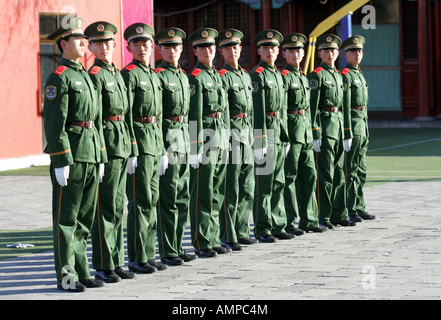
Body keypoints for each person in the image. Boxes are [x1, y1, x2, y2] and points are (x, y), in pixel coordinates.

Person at [43, 17, 106, 292]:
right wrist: (60, 159)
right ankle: (67, 277)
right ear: (63, 44)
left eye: (84, 38)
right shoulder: (59, 76)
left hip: (91, 154)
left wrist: (101, 155)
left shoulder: (86, 76)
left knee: (84, 220)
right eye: (77, 38)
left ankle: (82, 271)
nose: (84, 42)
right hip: (72, 155)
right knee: (66, 220)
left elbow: (97, 119)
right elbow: (55, 123)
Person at [85, 21, 138, 283]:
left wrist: (133, 148)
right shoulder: (94, 74)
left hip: (122, 143)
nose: (105, 47)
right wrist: (102, 153)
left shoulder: (116, 74)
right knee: (105, 206)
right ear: (91, 47)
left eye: (109, 42)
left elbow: (125, 115)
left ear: (116, 45)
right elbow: (94, 116)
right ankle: (104, 264)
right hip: (107, 143)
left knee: (119, 205)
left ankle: (116, 261)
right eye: (99, 43)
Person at [121, 22, 168, 273]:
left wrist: (162, 149)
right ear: (129, 47)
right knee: (140, 201)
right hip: (138, 141)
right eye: (136, 44)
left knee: (152, 200)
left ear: (152, 46)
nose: (142, 47)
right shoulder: (129, 74)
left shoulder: (153, 74)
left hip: (153, 142)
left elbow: (158, 115)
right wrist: (131, 149)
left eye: (146, 43)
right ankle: (138, 257)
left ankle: (149, 254)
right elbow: (126, 113)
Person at [154, 27, 198, 265]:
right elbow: (158, 114)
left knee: (182, 196)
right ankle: (168, 249)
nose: (173, 50)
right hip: (167, 135)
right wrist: (161, 147)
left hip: (182, 136)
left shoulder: (183, 75)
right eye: (167, 47)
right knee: (169, 195)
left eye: (176, 46)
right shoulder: (159, 75)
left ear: (182, 48)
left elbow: (189, 114)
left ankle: (178, 245)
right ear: (160, 49)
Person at [187, 28, 231, 257]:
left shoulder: (217, 75)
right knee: (203, 191)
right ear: (195, 51)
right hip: (205, 136)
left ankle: (213, 237)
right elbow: (193, 114)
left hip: (221, 135)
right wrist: (194, 147)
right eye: (202, 47)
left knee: (217, 191)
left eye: (210, 46)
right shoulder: (195, 77)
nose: (207, 50)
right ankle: (202, 241)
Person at [307, 34, 356, 229]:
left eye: (333, 50)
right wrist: (316, 132)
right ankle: (324, 216)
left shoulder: (338, 75)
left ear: (338, 53)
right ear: (319, 53)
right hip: (325, 129)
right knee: (325, 175)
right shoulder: (316, 75)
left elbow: (343, 106)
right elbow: (313, 107)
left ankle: (339, 213)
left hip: (337, 128)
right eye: (326, 50)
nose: (330, 53)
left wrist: (347, 132)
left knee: (340, 174)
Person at [280, 33, 328, 234]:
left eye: (299, 50)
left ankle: (309, 219)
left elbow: (309, 108)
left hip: (306, 131)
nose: (296, 54)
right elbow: (281, 109)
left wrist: (314, 132)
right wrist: (284, 137)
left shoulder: (303, 76)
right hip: (292, 132)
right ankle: (290, 221)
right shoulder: (285, 77)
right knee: (289, 177)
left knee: (310, 176)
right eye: (291, 51)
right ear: (284, 54)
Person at [250, 29, 293, 243]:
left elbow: (283, 109)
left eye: (273, 47)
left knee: (279, 181)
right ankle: (263, 228)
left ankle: (278, 224)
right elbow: (257, 111)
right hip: (265, 132)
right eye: (265, 47)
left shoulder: (277, 74)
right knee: (264, 183)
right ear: (258, 50)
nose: (270, 51)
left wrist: (285, 138)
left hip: (277, 131)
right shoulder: (256, 75)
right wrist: (260, 140)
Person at [218, 29, 257, 250]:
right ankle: (228, 233)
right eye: (228, 48)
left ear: (241, 49)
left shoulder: (245, 75)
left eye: (236, 47)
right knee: (230, 187)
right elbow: (222, 111)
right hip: (231, 133)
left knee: (247, 186)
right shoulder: (223, 76)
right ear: (222, 51)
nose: (233, 51)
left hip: (247, 135)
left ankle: (242, 230)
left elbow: (250, 111)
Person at [340, 35, 376, 222]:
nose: (357, 54)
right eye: (353, 51)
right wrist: (347, 131)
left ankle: (359, 206)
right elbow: (345, 106)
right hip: (353, 126)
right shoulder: (345, 75)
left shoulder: (359, 75)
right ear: (345, 54)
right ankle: (349, 208)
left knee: (361, 169)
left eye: (360, 50)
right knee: (350, 169)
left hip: (362, 125)